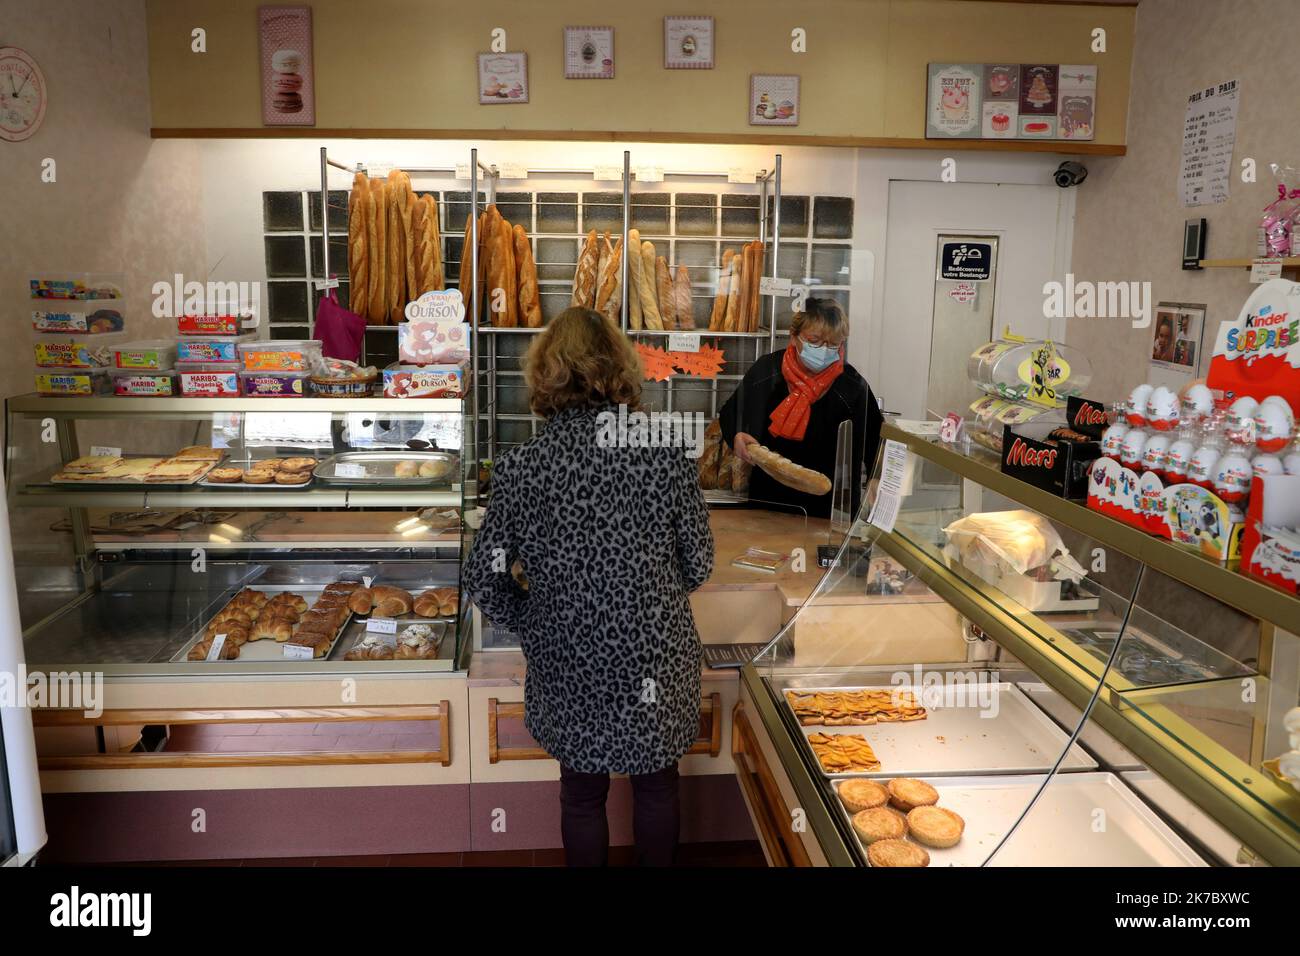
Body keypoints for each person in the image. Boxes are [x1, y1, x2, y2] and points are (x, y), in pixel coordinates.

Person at [462, 307, 714, 867]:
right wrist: (648, 594)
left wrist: (535, 618)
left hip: (569, 655)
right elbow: (698, 563)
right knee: (657, 786)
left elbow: (485, 574)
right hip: (655, 651)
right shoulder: (667, 452)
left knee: (581, 794)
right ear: (620, 368)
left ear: (546, 374)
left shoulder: (524, 465)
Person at [719, 298, 883, 518]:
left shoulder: (852, 386)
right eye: (814, 341)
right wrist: (737, 434)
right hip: (768, 500)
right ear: (794, 336)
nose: (824, 350)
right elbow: (732, 412)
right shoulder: (767, 372)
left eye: (833, 344)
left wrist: (877, 478)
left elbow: (877, 439)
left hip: (830, 507)